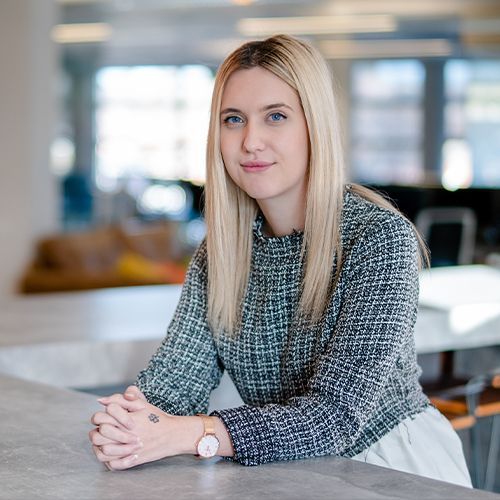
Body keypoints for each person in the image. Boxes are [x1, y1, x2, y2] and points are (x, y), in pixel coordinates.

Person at [88, 34, 471, 487]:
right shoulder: (222, 252)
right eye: (234, 119)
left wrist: (194, 434)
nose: (251, 141)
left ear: (315, 126)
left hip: (388, 469)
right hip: (280, 470)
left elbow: (334, 416)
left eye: (276, 117)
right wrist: (131, 421)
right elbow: (176, 378)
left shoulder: (378, 238)